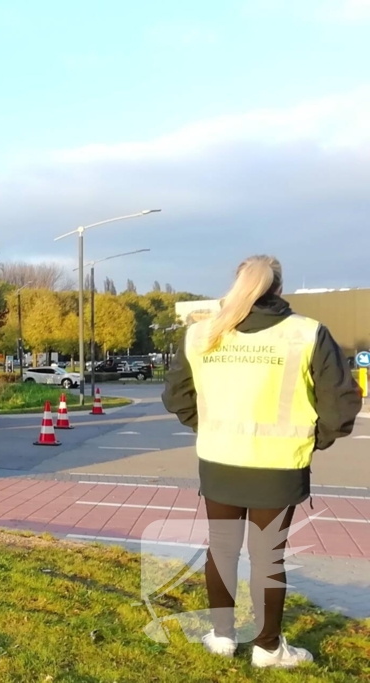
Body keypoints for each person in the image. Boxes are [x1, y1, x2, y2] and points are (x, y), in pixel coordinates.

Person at [163, 255, 362, 669]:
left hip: (219, 460)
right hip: (278, 465)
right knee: (268, 556)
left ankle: (221, 637)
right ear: (279, 288)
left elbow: (176, 398)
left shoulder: (202, 334)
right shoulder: (306, 334)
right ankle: (268, 648)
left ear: (238, 285)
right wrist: (313, 438)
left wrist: (210, 428)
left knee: (221, 550)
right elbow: (342, 404)